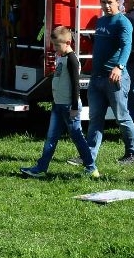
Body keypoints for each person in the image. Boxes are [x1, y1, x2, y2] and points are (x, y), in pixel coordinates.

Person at [20, 26, 99, 179]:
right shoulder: (61, 57)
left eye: (57, 45)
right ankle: (41, 167)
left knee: (77, 136)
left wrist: (74, 106)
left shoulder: (72, 59)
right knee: (51, 137)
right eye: (54, 45)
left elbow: (75, 85)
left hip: (69, 106)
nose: (55, 48)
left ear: (68, 42)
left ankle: (91, 167)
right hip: (58, 105)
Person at [78, 0, 134, 165]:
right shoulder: (101, 21)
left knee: (122, 117)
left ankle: (132, 153)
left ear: (118, 2)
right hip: (97, 78)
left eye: (110, 2)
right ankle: (89, 156)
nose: (106, 6)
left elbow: (127, 46)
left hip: (115, 78)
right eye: (103, 2)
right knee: (95, 118)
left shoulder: (123, 22)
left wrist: (119, 67)